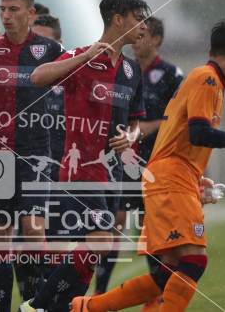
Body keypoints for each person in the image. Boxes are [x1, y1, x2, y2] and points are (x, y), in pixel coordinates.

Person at [70, 21, 225, 312]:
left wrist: (195, 179)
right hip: (170, 180)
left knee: (164, 274)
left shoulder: (205, 80)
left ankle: (86, 307)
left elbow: (181, 139)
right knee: (194, 260)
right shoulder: (207, 79)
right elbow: (199, 133)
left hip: (169, 177)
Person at [20, 0, 149, 312]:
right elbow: (38, 77)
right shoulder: (83, 56)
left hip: (113, 171)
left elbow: (136, 122)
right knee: (100, 243)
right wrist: (83, 57)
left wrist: (131, 137)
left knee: (94, 251)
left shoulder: (132, 71)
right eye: (139, 19)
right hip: (81, 170)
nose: (144, 26)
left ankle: (57, 307)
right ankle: (37, 305)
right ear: (118, 20)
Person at [0, 0, 65, 311]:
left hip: (37, 153)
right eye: (2, 9)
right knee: (0, 235)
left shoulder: (48, 50)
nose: (6, 15)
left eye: (13, 9)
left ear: (30, 13)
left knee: (34, 228)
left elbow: (75, 84)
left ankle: (44, 304)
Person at [93, 17, 183, 311]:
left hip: (155, 164)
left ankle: (157, 295)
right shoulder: (124, 70)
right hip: (122, 161)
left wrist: (149, 126)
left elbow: (180, 118)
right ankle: (100, 294)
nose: (137, 39)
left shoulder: (170, 74)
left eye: (143, 35)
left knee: (150, 231)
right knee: (113, 226)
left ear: (156, 39)